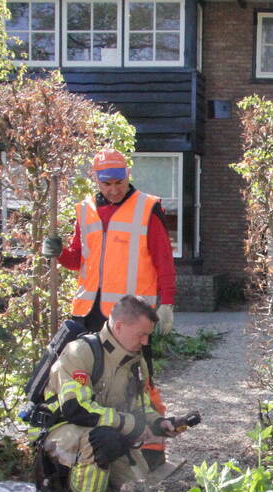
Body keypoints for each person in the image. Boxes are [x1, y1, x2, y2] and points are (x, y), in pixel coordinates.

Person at [42, 148, 178, 466]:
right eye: (107, 183)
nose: (114, 189)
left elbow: (164, 261)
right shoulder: (85, 210)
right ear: (97, 181)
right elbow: (78, 259)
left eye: (119, 181)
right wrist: (59, 252)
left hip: (130, 317)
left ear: (127, 176)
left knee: (139, 384)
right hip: (90, 313)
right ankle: (93, 446)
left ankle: (152, 450)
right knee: (86, 381)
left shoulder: (147, 208)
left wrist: (167, 303)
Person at [39, 296, 178, 492]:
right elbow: (76, 408)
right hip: (62, 430)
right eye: (141, 335)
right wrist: (129, 424)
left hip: (109, 430)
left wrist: (157, 423)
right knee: (103, 440)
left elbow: (140, 405)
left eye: (148, 336)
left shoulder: (135, 362)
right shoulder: (80, 352)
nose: (145, 342)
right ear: (119, 326)